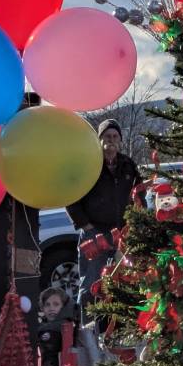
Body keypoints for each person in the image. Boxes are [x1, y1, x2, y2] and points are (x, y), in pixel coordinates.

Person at [65, 119, 141, 316]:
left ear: (120, 141)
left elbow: (139, 194)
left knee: (126, 284)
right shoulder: (88, 165)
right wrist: (86, 225)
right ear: (99, 140)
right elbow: (70, 195)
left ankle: (119, 333)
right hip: (95, 233)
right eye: (107, 136)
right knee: (91, 284)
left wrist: (136, 221)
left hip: (123, 234)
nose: (111, 140)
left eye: (115, 136)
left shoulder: (128, 166)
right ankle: (87, 334)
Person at [36, 287, 72, 366]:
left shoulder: (67, 327)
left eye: (56, 304)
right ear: (42, 308)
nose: (51, 308)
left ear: (63, 307)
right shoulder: (38, 328)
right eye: (47, 305)